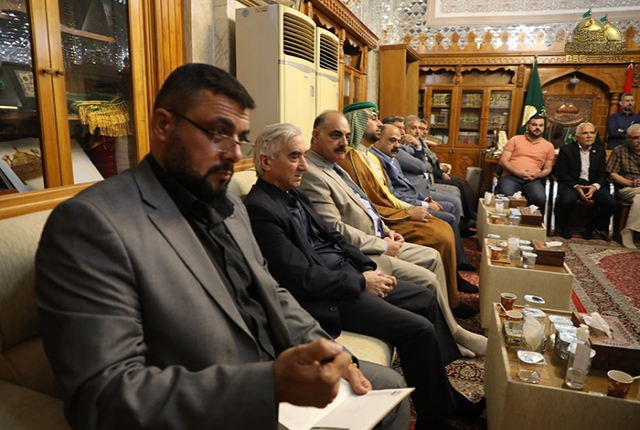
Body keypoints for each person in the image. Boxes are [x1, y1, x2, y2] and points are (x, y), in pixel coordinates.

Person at [34, 63, 409, 430]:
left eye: (240, 137)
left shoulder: (228, 204)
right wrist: (269, 386)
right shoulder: (91, 224)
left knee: (389, 390)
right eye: (218, 133)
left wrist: (329, 352)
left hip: (278, 366)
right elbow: (103, 397)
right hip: (222, 402)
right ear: (163, 125)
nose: (235, 154)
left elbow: (272, 293)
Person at [244, 123, 486, 430]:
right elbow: (300, 279)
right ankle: (434, 416)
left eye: (303, 156)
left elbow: (333, 235)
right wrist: (361, 282)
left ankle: (443, 394)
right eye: (294, 157)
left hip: (345, 275)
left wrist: (365, 266)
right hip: (326, 297)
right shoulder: (260, 209)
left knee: (424, 297)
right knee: (418, 329)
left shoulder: (295, 193)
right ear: (266, 162)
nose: (304, 164)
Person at [301, 110, 481, 318]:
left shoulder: (336, 163)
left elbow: (368, 203)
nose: (343, 142)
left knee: (435, 252)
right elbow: (334, 228)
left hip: (382, 229)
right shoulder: (320, 169)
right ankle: (447, 321)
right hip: (364, 246)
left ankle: (449, 308)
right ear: (316, 136)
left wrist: (386, 231)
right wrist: (385, 242)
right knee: (437, 243)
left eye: (347, 136)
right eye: (336, 135)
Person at [337, 102, 478, 296]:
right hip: (385, 216)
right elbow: (371, 202)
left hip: (393, 209)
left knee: (444, 225)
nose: (379, 123)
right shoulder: (351, 159)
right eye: (373, 118)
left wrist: (412, 208)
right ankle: (451, 292)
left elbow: (385, 194)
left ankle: (451, 284)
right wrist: (408, 211)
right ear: (358, 122)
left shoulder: (371, 157)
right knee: (440, 234)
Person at [371, 124, 475, 274]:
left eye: (398, 140)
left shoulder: (391, 155)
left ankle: (456, 259)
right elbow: (394, 193)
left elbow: (426, 165)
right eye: (392, 140)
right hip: (401, 208)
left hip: (418, 192)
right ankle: (455, 265)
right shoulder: (379, 159)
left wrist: (426, 199)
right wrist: (424, 205)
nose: (397, 145)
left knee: (454, 199)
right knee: (449, 218)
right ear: (378, 140)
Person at [404, 115, 479, 222]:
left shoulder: (419, 142)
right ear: (405, 129)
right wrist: (439, 171)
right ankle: (465, 219)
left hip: (429, 180)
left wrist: (435, 164)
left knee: (461, 183)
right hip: (425, 183)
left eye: (420, 128)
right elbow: (424, 166)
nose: (418, 131)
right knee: (457, 190)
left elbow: (432, 158)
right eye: (414, 128)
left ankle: (469, 215)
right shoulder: (406, 146)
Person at [553, 122, 616, 240]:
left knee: (611, 202)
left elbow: (602, 174)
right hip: (572, 183)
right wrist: (577, 186)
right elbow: (561, 173)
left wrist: (595, 187)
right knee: (566, 200)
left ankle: (591, 227)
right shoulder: (566, 150)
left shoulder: (599, 150)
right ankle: (564, 227)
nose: (589, 136)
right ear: (576, 137)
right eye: (585, 133)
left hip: (592, 184)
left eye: (592, 133)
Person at [496, 114, 555, 214]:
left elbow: (548, 169)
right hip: (511, 177)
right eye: (534, 125)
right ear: (527, 126)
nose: (537, 128)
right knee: (507, 195)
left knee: (539, 198)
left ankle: (529, 221)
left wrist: (537, 175)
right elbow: (503, 161)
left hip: (533, 180)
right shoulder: (515, 140)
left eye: (541, 125)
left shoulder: (549, 146)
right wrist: (518, 173)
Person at [606, 123, 640, 249]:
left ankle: (628, 231)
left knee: (639, 198)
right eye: (635, 138)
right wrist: (630, 183)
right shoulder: (619, 151)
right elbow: (612, 174)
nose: (639, 140)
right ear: (627, 138)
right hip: (626, 188)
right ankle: (629, 232)